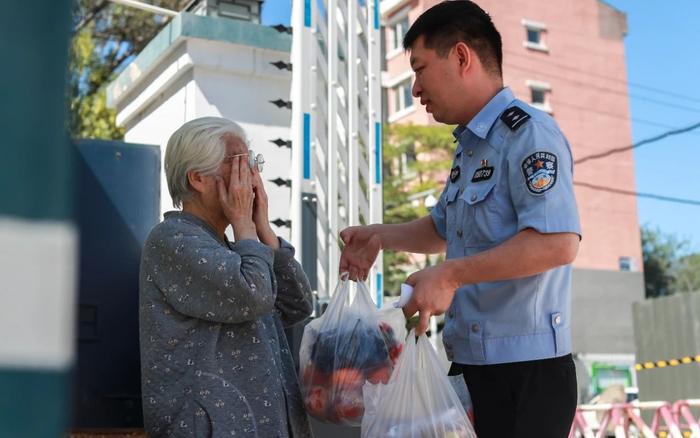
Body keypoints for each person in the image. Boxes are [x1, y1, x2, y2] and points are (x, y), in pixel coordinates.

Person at [339, 1, 581, 437]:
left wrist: (450, 276)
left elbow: (557, 243)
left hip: (525, 373)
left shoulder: (529, 134)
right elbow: (442, 228)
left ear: (462, 57)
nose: (415, 89)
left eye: (419, 69)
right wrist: (378, 236)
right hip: (471, 364)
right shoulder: (470, 146)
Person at [139, 117, 314, 437]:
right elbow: (253, 295)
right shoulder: (172, 240)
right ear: (198, 179)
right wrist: (245, 227)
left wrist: (264, 232)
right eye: (240, 163)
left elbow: (298, 305)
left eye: (252, 162)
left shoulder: (238, 249)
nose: (251, 175)